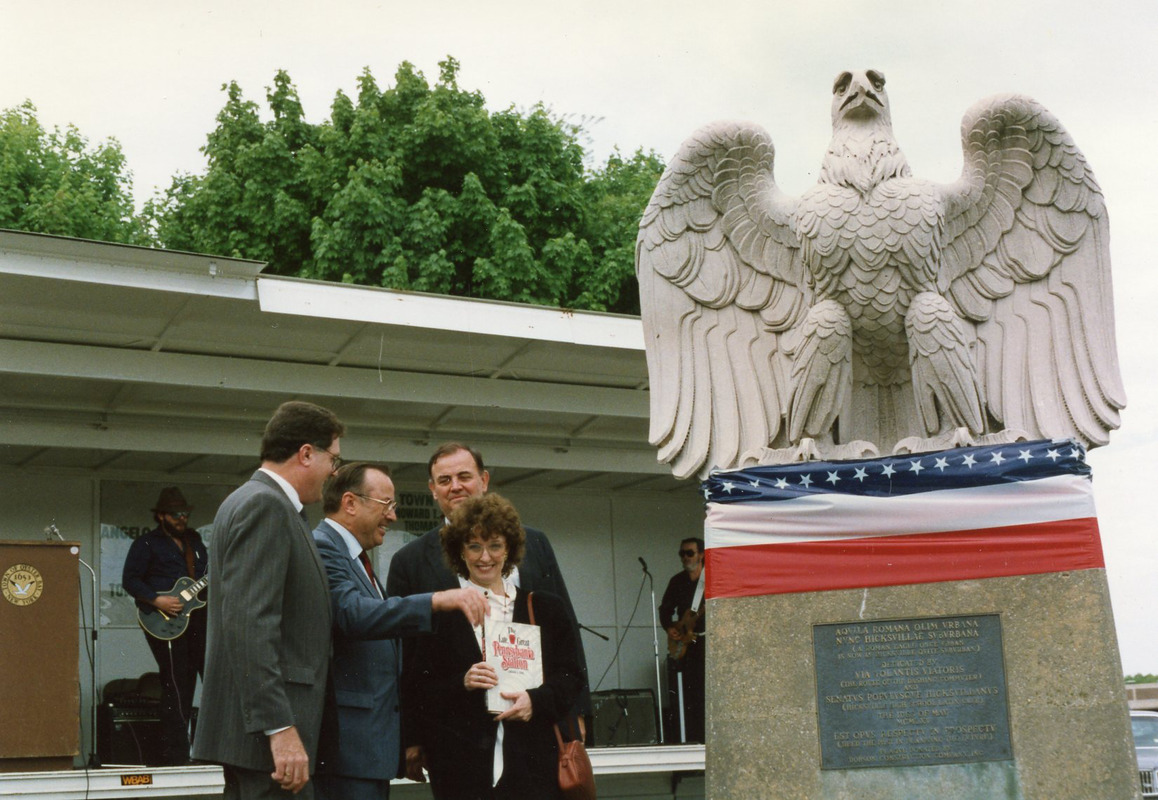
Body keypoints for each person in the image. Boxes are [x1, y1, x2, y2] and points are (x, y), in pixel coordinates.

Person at [385, 442, 591, 782]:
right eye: (445, 479)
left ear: (484, 479)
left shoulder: (534, 542)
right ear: (432, 489)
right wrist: (411, 737)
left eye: (464, 476)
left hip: (534, 735)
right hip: (458, 743)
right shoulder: (409, 560)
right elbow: (406, 660)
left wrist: (576, 712)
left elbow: (566, 632)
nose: (456, 486)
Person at [192, 400, 345, 799]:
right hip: (268, 744)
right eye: (333, 458)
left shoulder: (251, 501)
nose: (334, 471)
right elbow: (250, 625)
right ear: (306, 453)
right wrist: (280, 729)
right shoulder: (266, 506)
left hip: (258, 740)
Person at [310, 462, 488, 800]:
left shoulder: (358, 560)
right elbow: (354, 614)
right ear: (350, 503)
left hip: (368, 749)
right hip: (348, 751)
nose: (392, 517)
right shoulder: (322, 547)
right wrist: (437, 600)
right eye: (387, 505)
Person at [407, 493, 583, 799]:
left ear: (509, 550)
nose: (484, 557)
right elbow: (419, 690)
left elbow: (570, 677)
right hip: (462, 769)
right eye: (474, 546)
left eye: (495, 545)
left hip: (532, 762)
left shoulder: (544, 608)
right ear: (459, 551)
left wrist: (535, 701)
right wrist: (462, 682)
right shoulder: (443, 613)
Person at [121, 486, 208, 765]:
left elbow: (205, 575)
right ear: (161, 516)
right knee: (175, 682)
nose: (182, 518)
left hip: (196, 617)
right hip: (164, 622)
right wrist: (158, 600)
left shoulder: (194, 540)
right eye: (175, 514)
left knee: (204, 675)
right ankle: (176, 755)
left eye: (184, 513)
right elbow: (130, 580)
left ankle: (202, 749)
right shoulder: (146, 544)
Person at [659, 537, 706, 743]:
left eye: (690, 553)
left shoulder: (712, 579)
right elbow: (665, 610)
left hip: (707, 642)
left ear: (702, 554)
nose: (685, 557)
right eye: (682, 554)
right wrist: (670, 628)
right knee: (688, 697)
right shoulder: (676, 581)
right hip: (687, 648)